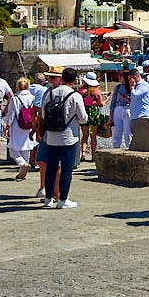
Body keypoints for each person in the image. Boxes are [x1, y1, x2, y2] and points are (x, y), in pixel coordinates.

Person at [37, 68, 88, 211]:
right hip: (69, 137)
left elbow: (43, 113)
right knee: (66, 169)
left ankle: (48, 199)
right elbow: (83, 118)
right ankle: (62, 199)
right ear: (74, 80)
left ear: (62, 78)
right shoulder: (75, 95)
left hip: (52, 136)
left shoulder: (51, 93)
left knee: (51, 168)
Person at [4, 76, 37, 182]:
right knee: (26, 148)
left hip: (17, 126)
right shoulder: (33, 98)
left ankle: (22, 164)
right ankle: (24, 169)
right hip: (30, 125)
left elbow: (11, 114)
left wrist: (7, 125)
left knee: (13, 150)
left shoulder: (15, 98)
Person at [109, 69, 134, 150]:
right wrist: (111, 116)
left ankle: (129, 150)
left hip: (127, 109)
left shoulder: (132, 87)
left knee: (128, 134)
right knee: (116, 133)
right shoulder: (118, 87)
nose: (119, 77)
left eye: (121, 76)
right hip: (118, 109)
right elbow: (113, 103)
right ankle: (116, 150)